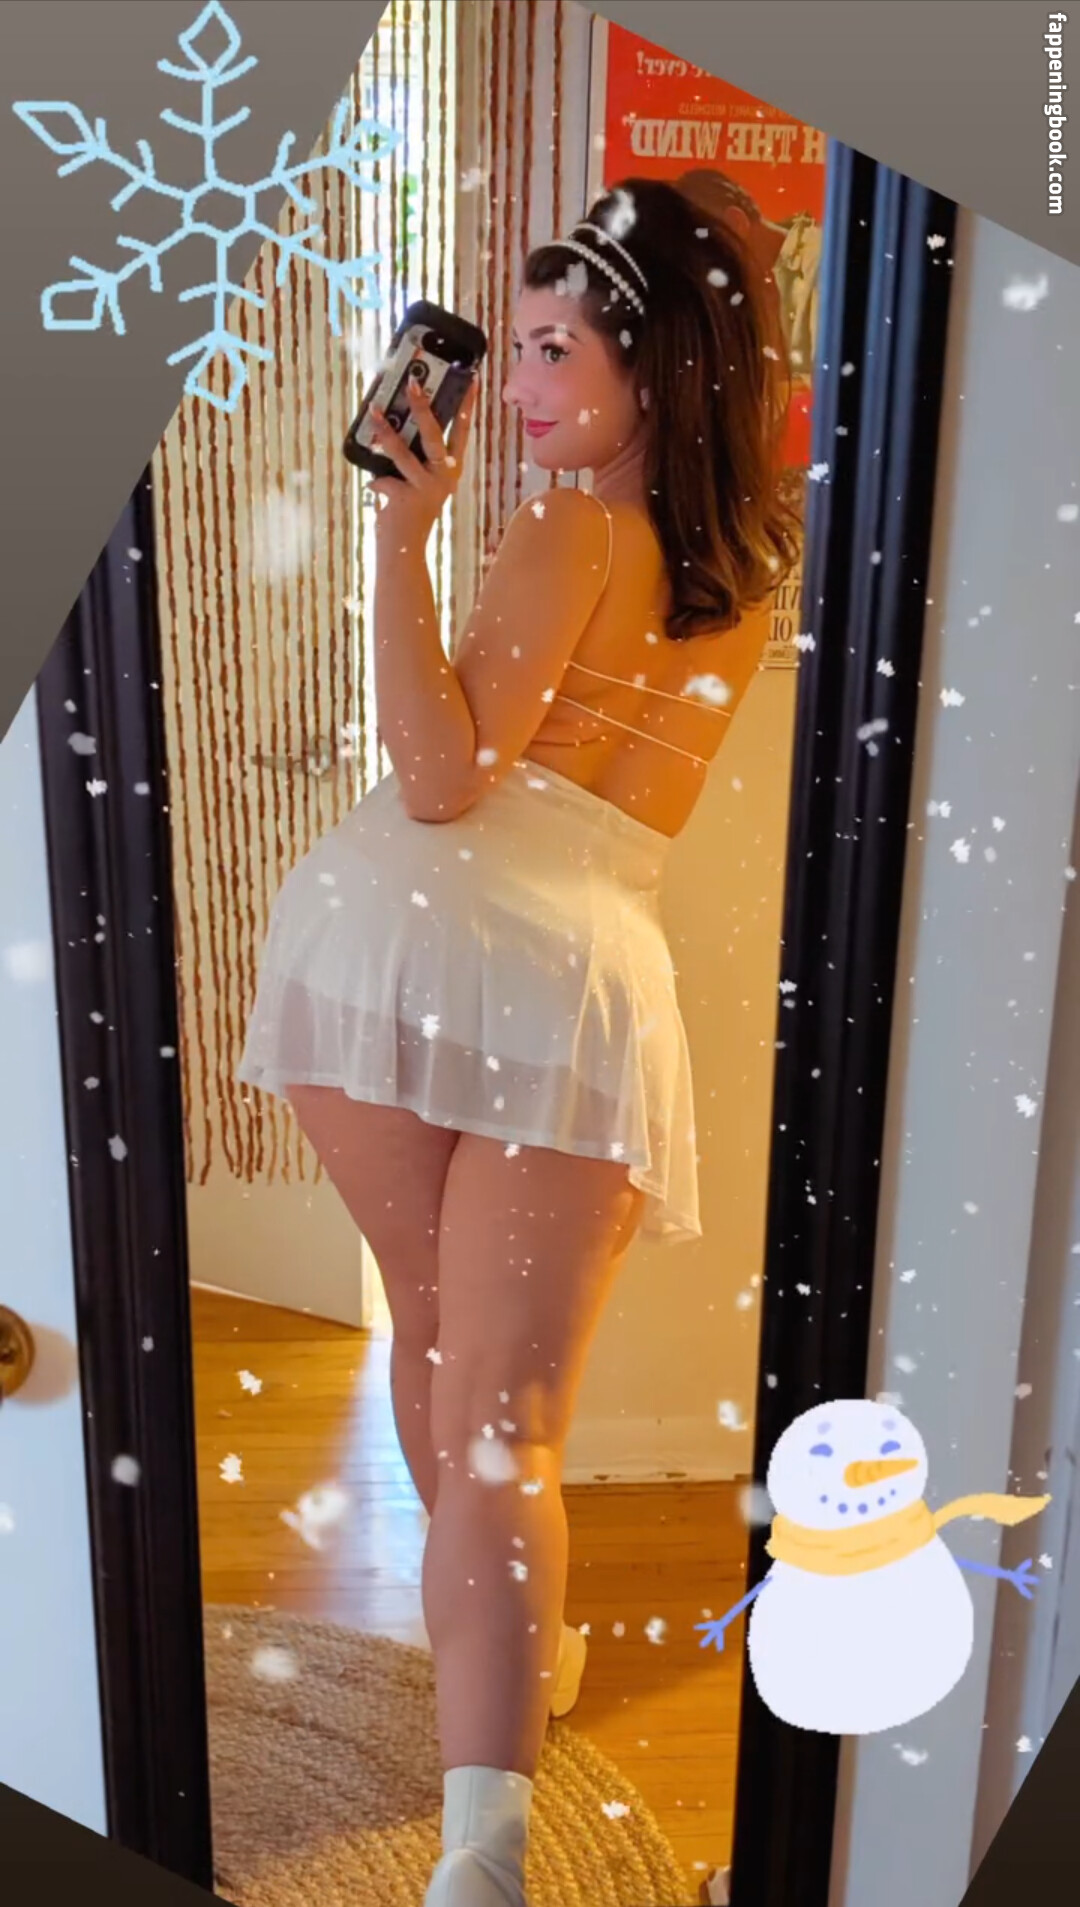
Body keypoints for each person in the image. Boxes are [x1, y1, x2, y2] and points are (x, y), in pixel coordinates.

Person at [237, 173, 800, 1907]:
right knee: (502, 1414)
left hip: (403, 954)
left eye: (558, 349)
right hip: (573, 983)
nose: (524, 385)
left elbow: (440, 777)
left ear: (656, 365)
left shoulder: (568, 532)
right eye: (524, 347)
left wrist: (398, 541)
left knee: (449, 1360)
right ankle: (490, 1799)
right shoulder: (745, 572)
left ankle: (489, 1791)